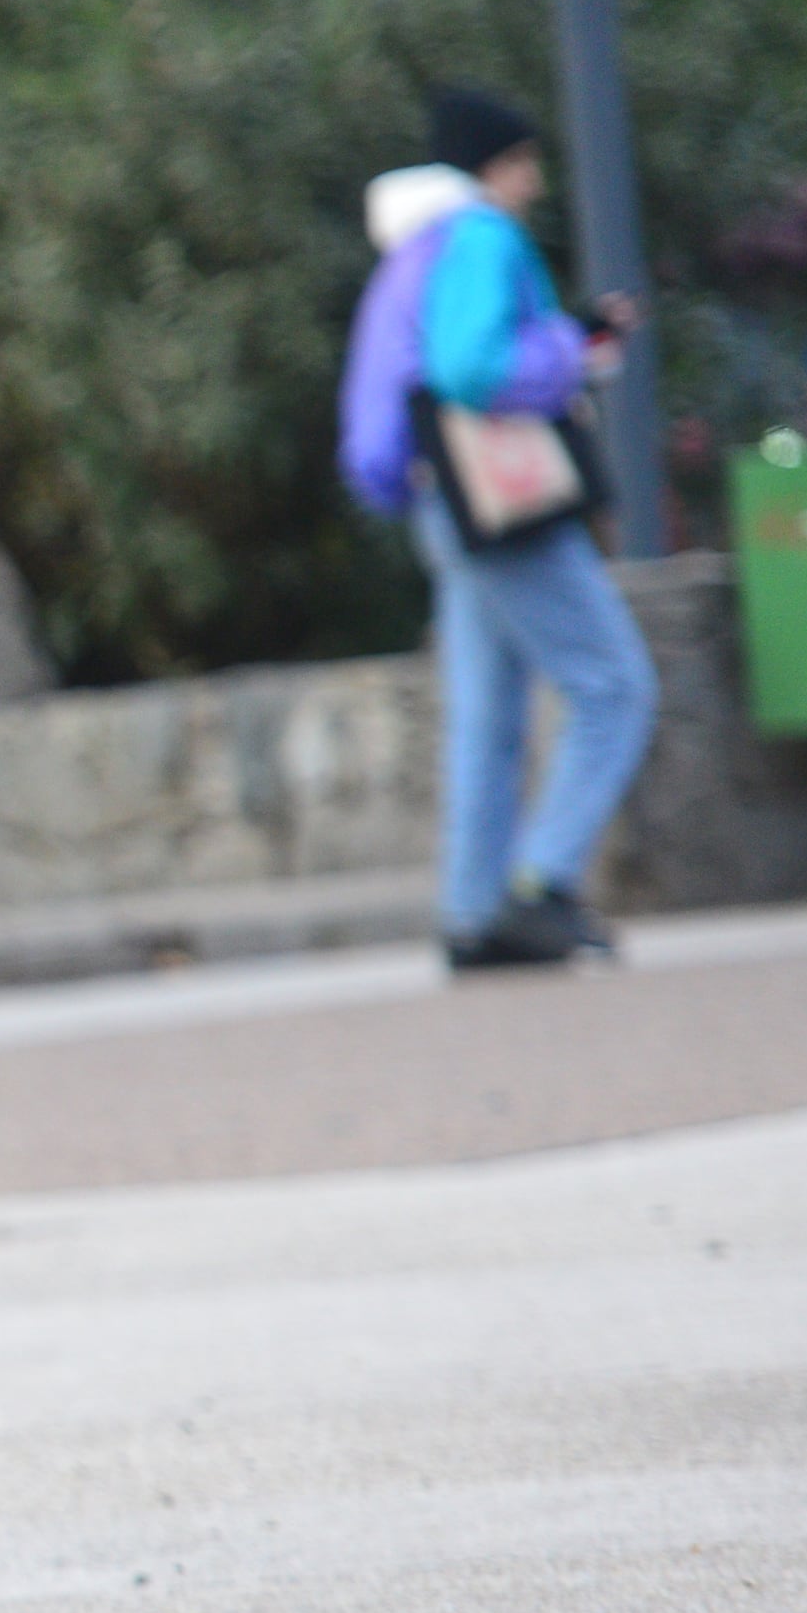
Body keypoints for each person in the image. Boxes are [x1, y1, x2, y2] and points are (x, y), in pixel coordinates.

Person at [334, 83, 659, 972]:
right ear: (493, 166)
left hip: (444, 501)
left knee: (488, 713)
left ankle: (473, 913)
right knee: (615, 686)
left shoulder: (415, 249)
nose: (536, 181)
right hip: (506, 503)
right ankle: (541, 885)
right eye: (525, 161)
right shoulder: (480, 235)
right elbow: (471, 365)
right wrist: (571, 345)